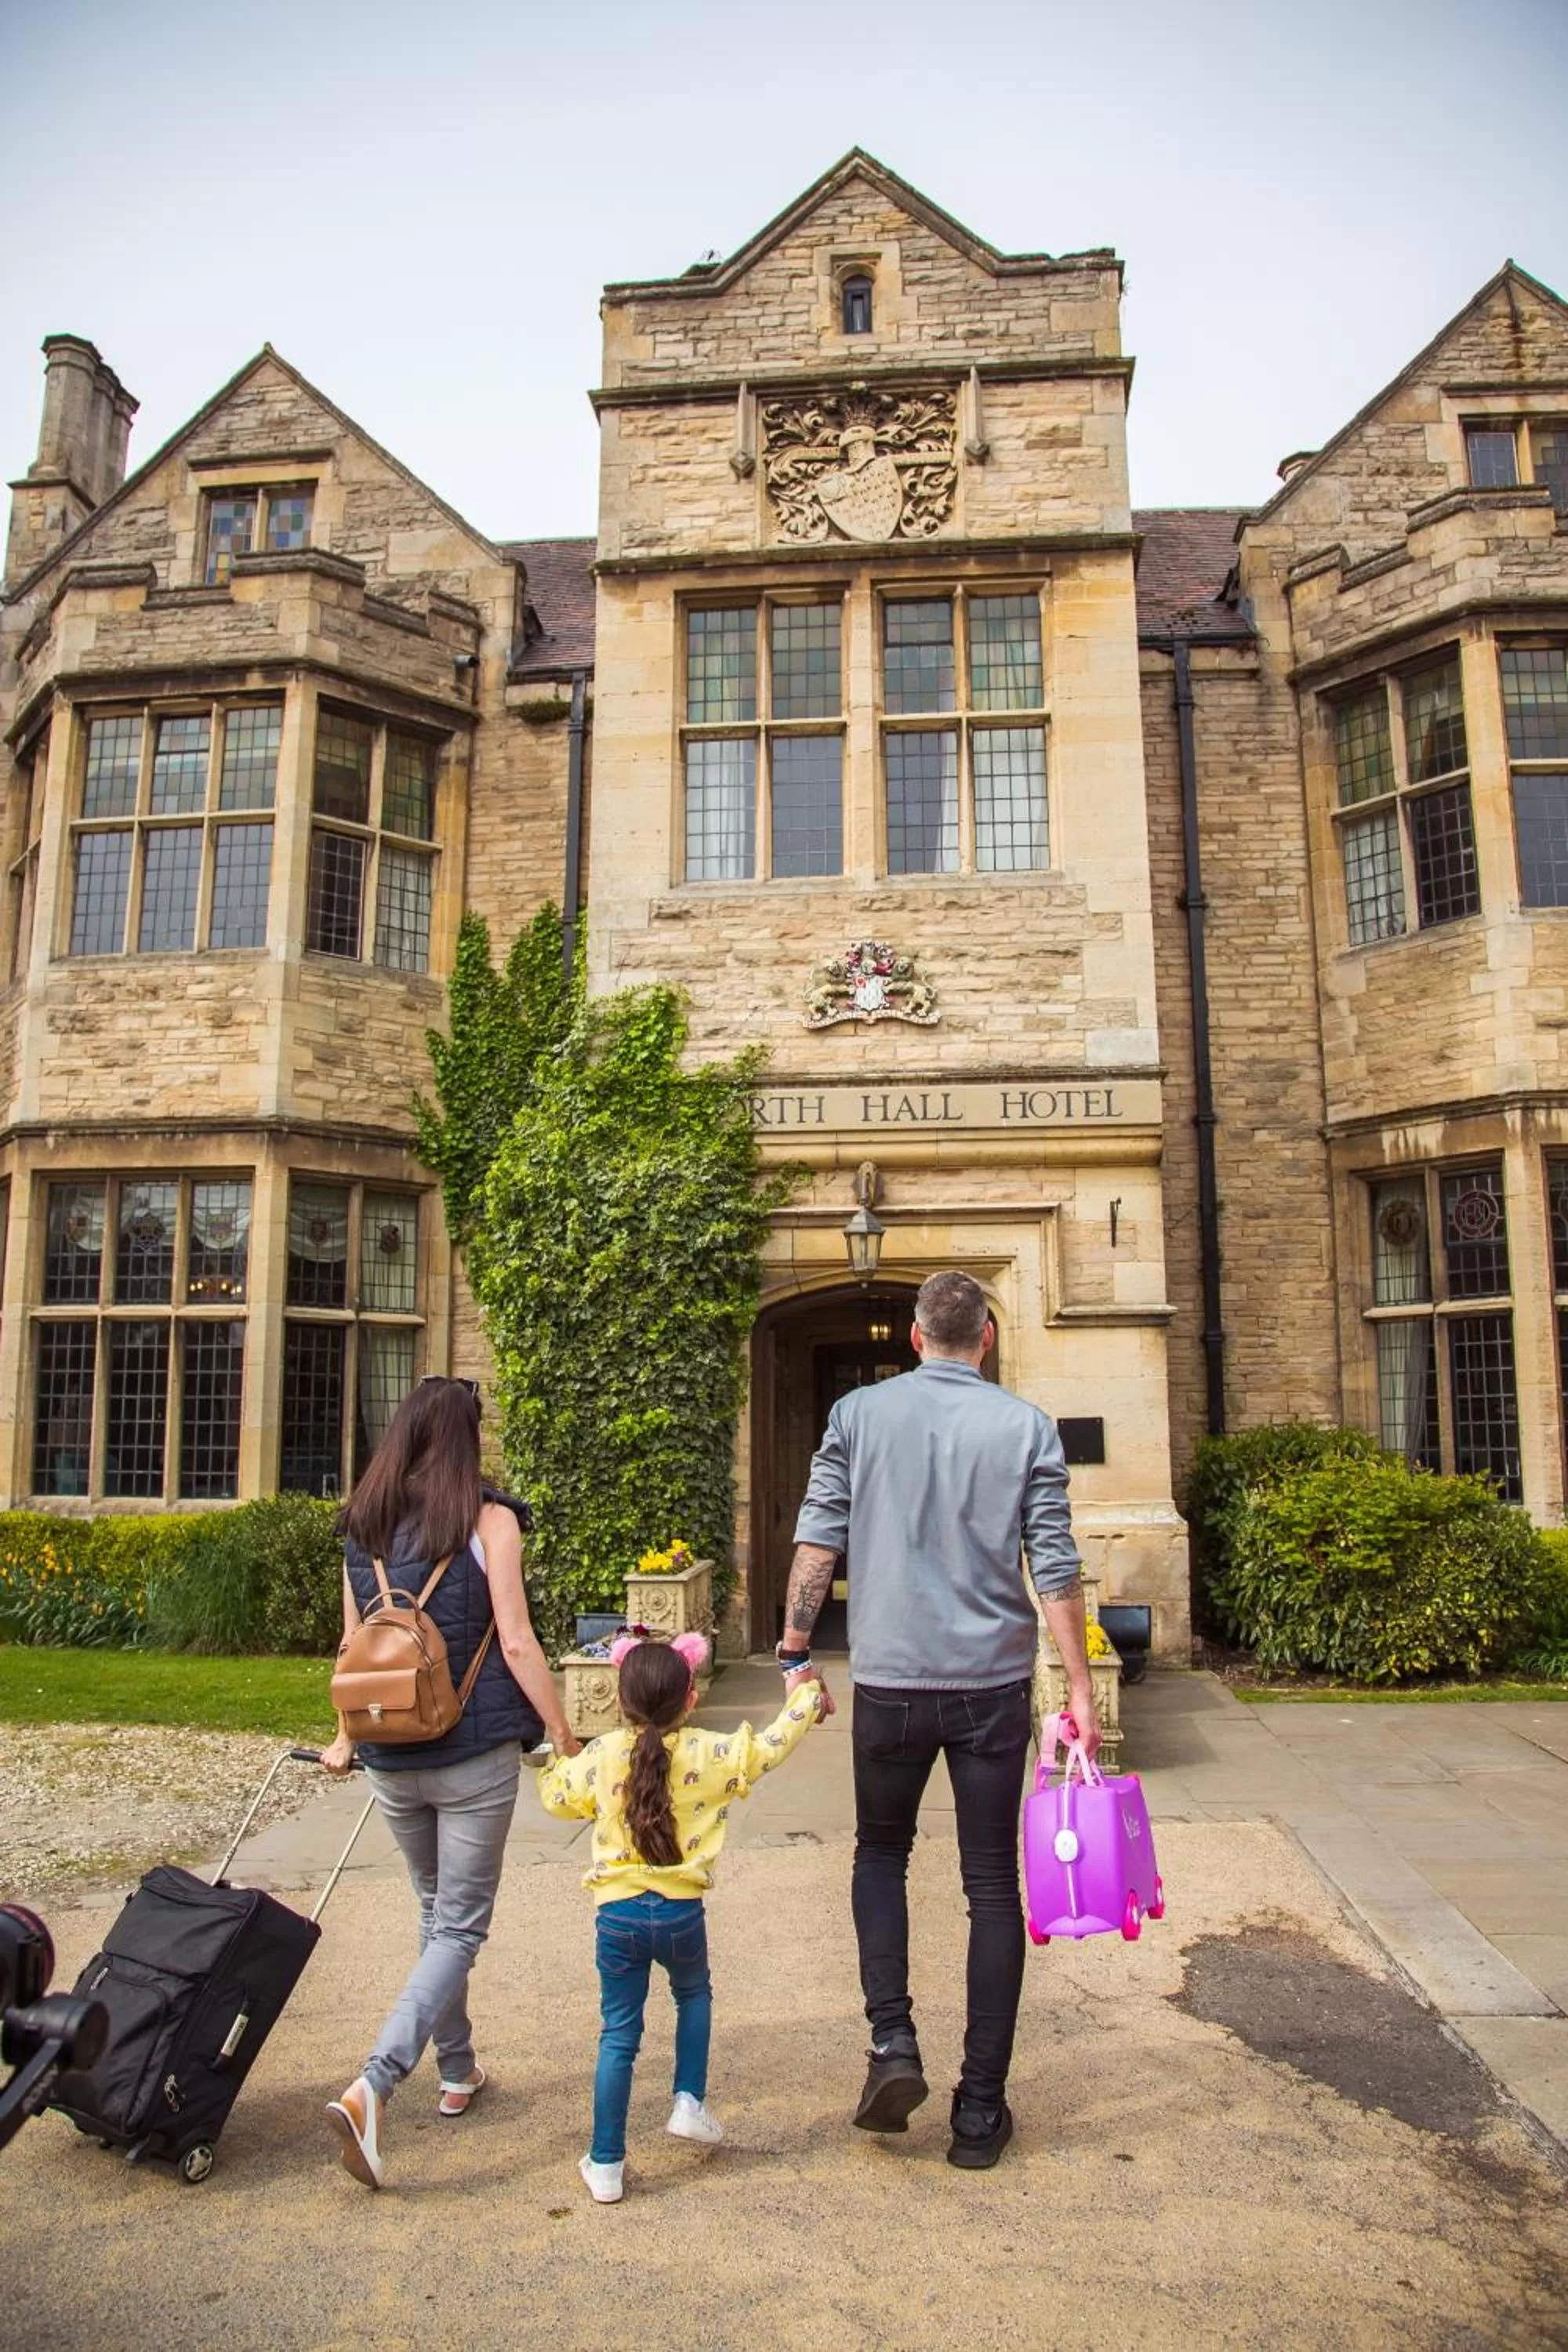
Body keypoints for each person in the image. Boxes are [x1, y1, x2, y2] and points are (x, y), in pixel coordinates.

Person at [782, 1269, 1098, 2172]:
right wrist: (1074, 1689)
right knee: (991, 1885)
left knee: (880, 1854)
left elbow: (818, 1538)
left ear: (916, 1338)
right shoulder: (1025, 1427)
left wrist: (796, 1647)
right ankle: (978, 2111)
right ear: (984, 1339)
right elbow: (1056, 1567)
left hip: (887, 1682)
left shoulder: (856, 1418)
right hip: (990, 1686)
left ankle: (892, 2044)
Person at [318, 1375, 580, 2189]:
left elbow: (354, 1648)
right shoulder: (488, 1520)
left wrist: (341, 1739)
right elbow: (518, 1644)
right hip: (470, 1756)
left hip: (389, 1755)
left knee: (436, 1916)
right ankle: (376, 2082)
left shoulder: (363, 1524)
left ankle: (457, 2071)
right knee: (460, 1928)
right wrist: (565, 1735)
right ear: (466, 1438)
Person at [538, 1631, 820, 2205]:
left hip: (616, 1913)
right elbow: (766, 1746)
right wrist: (807, 1697)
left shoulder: (603, 1757)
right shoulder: (708, 1754)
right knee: (694, 1995)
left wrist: (557, 1754)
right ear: (690, 1700)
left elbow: (555, 1797)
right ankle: (688, 2100)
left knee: (619, 2033)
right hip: (681, 1913)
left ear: (621, 1701)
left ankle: (608, 2162)